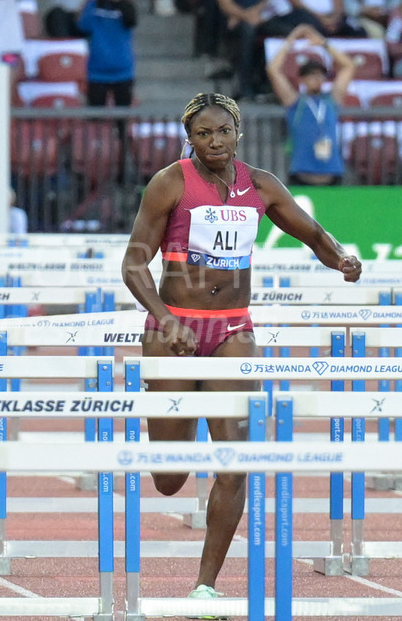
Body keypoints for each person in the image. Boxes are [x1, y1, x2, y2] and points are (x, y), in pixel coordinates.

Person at [120, 91, 362, 605]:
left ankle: (205, 584)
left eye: (222, 131)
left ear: (238, 133)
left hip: (234, 329)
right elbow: (134, 266)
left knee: (235, 458)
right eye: (203, 133)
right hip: (173, 329)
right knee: (168, 476)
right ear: (189, 139)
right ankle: (173, 461)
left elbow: (314, 234)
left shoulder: (262, 185)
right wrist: (164, 320)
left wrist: (340, 258)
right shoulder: (170, 183)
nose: (214, 141)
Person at [267, 23, 355, 185]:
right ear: (302, 79)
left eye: (321, 75)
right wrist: (290, 42)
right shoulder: (294, 101)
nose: (317, 79)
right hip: (301, 173)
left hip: (333, 173)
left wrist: (324, 43)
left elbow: (348, 67)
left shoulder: (331, 99)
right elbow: (273, 69)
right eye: (312, 75)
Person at [79, 0, 136, 107]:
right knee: (95, 122)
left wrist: (118, 0)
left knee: (122, 119)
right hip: (97, 72)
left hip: (123, 71)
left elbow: (131, 21)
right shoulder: (94, 6)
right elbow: (82, 26)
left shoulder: (127, 6)